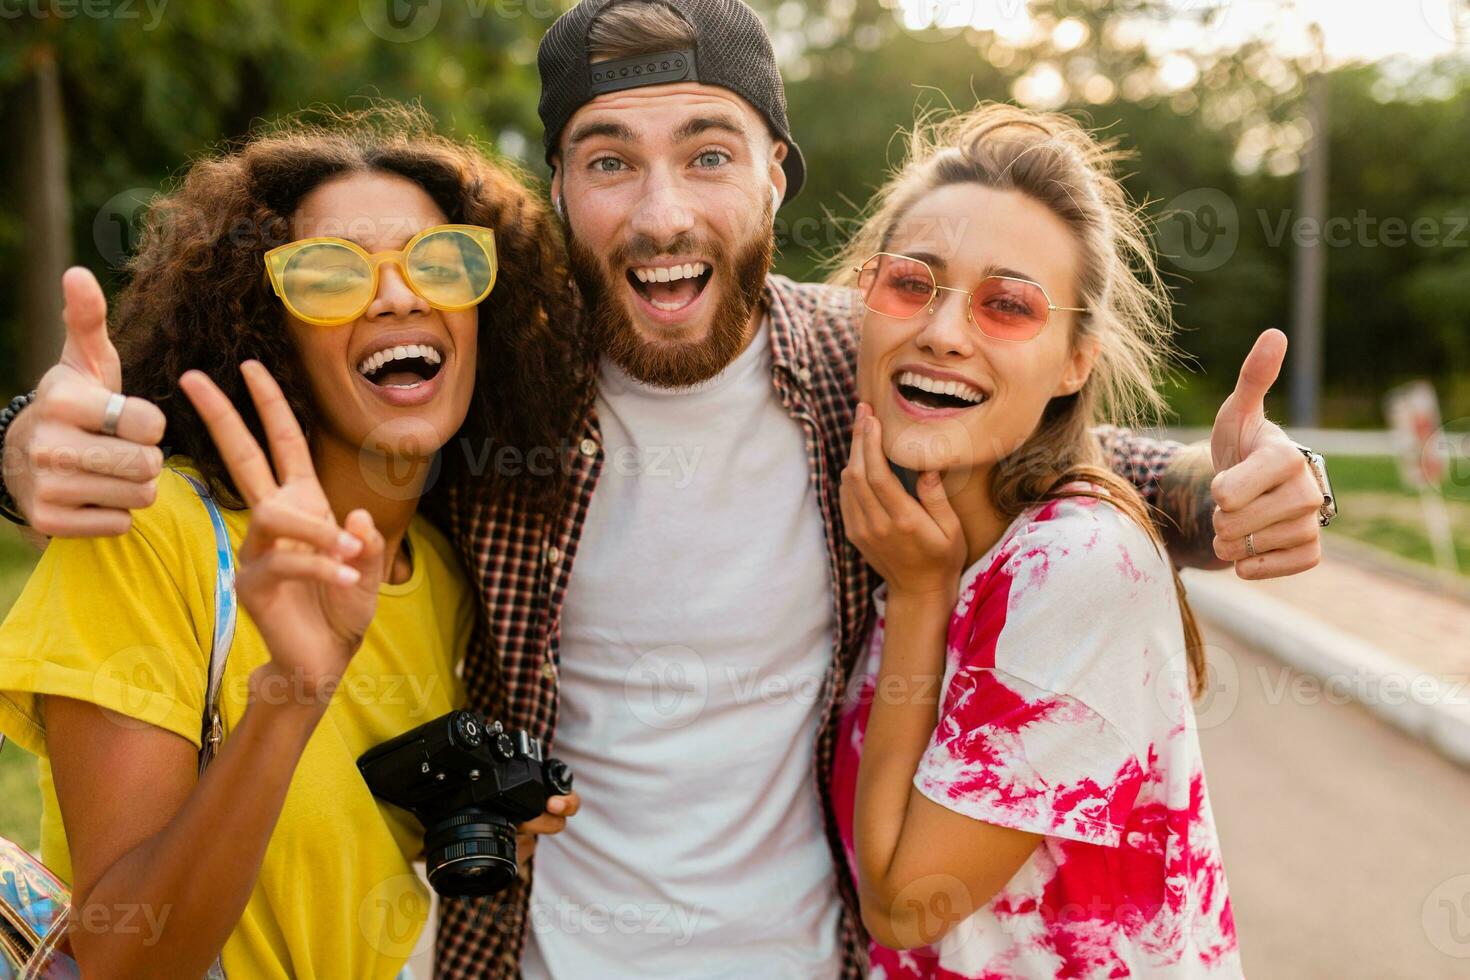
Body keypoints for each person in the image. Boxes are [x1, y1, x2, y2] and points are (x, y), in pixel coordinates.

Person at [0, 3, 1332, 977]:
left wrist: (1220, 494)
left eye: (707, 154)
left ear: (775, 179)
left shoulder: (850, 371)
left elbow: (1012, 431)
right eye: (606, 160)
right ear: (557, 195)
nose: (658, 213)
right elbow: (252, 416)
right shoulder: (485, 387)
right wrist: (18, 448)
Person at [0, 106, 581, 977]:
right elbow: (125, 956)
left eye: (442, 262)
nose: (398, 293)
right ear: (267, 329)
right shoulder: (152, 535)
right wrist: (291, 694)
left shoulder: (452, 575)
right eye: (328, 275)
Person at [831, 103, 1241, 978]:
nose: (942, 332)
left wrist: (917, 598)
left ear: (1073, 362)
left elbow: (907, 904)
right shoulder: (910, 533)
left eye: (1007, 305)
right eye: (912, 283)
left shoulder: (1075, 563)